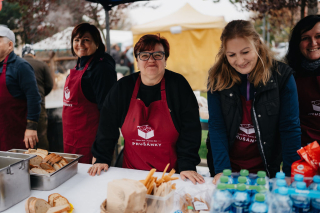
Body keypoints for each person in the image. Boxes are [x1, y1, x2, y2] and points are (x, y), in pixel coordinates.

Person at [88, 34, 204, 184]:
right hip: (130, 174)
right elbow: (107, 124)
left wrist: (187, 164)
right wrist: (101, 157)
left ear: (165, 60)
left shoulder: (178, 86)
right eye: (144, 55)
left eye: (157, 55)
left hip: (170, 177)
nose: (151, 60)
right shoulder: (123, 87)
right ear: (137, 61)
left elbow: (191, 130)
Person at [206, 20, 301, 184]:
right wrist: (222, 170)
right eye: (232, 55)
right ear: (224, 53)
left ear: (257, 44)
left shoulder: (282, 76)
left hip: (266, 169)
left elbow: (289, 127)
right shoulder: (217, 77)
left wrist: (289, 173)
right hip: (228, 167)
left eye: (245, 52)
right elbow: (216, 125)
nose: (240, 60)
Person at [62, 23, 117, 164]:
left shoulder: (101, 68)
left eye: (86, 39)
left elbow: (108, 113)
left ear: (97, 43)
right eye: (76, 40)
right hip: (72, 141)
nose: (80, 44)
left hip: (90, 146)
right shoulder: (80, 64)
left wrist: (101, 154)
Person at [0, 26, 41, 150]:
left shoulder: (21, 66)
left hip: (16, 131)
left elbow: (34, 97)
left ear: (10, 45)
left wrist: (31, 127)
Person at [285, 15, 320, 147]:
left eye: (318, 36)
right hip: (302, 152)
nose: (313, 43)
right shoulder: (287, 76)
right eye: (305, 38)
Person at [22, 44, 53, 150]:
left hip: (21, 105)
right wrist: (41, 95)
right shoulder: (42, 64)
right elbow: (49, 85)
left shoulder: (19, 65)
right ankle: (43, 160)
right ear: (33, 54)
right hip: (39, 104)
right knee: (41, 134)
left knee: (24, 136)